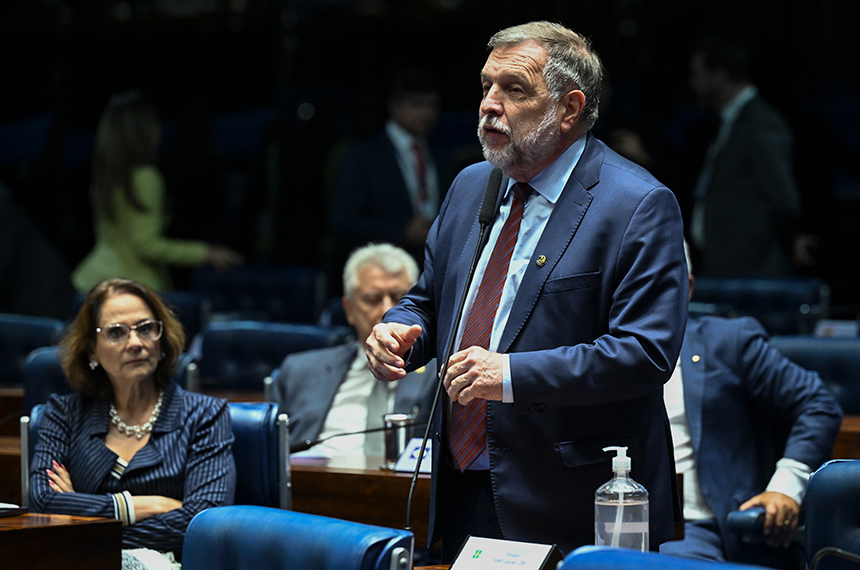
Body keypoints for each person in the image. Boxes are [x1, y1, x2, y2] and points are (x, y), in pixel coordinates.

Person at [365, 21, 688, 560]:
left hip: (571, 496)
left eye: (514, 89)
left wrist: (510, 375)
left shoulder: (636, 205)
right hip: (462, 477)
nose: (490, 104)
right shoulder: (471, 184)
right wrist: (400, 331)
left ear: (568, 108)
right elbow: (430, 299)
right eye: (487, 86)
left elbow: (644, 353)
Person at [29, 278, 236, 568]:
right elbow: (43, 502)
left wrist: (80, 513)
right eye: (116, 333)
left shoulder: (205, 415)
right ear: (92, 350)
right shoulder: (63, 414)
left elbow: (202, 521)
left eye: (146, 329)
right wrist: (140, 506)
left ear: (161, 340)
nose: (136, 343)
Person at [660, 245, 842, 569]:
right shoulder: (590, 353)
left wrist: (786, 487)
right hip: (602, 517)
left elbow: (817, 405)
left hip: (695, 530)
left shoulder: (727, 342)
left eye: (656, 285)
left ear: (686, 288)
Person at [272, 243, 437, 457]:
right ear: (348, 309)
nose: (388, 310)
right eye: (372, 299)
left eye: (399, 299)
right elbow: (273, 459)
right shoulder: (300, 371)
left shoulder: (440, 372)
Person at [72, 91, 243, 293]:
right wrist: (206, 253)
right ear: (146, 130)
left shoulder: (107, 175)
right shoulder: (145, 177)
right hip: (132, 289)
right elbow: (146, 245)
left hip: (90, 281)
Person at [687, 35, 803, 277]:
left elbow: (784, 201)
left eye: (698, 75)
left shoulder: (759, 124)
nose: (693, 84)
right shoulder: (726, 122)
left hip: (750, 272)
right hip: (723, 265)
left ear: (719, 74)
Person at [329, 68, 457, 263]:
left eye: (432, 106)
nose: (426, 113)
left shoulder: (442, 156)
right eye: (417, 104)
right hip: (382, 269)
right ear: (393, 105)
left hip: (436, 268)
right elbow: (343, 223)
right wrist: (402, 232)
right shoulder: (363, 156)